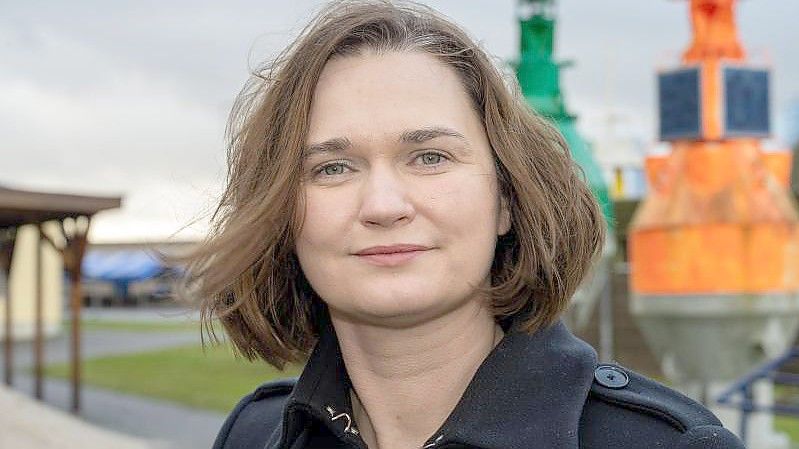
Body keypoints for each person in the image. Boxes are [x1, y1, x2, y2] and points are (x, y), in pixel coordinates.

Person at [180, 1, 746, 448]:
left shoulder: (664, 445)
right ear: (280, 213)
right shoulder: (255, 435)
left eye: (430, 157)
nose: (383, 204)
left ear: (506, 197)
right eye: (332, 167)